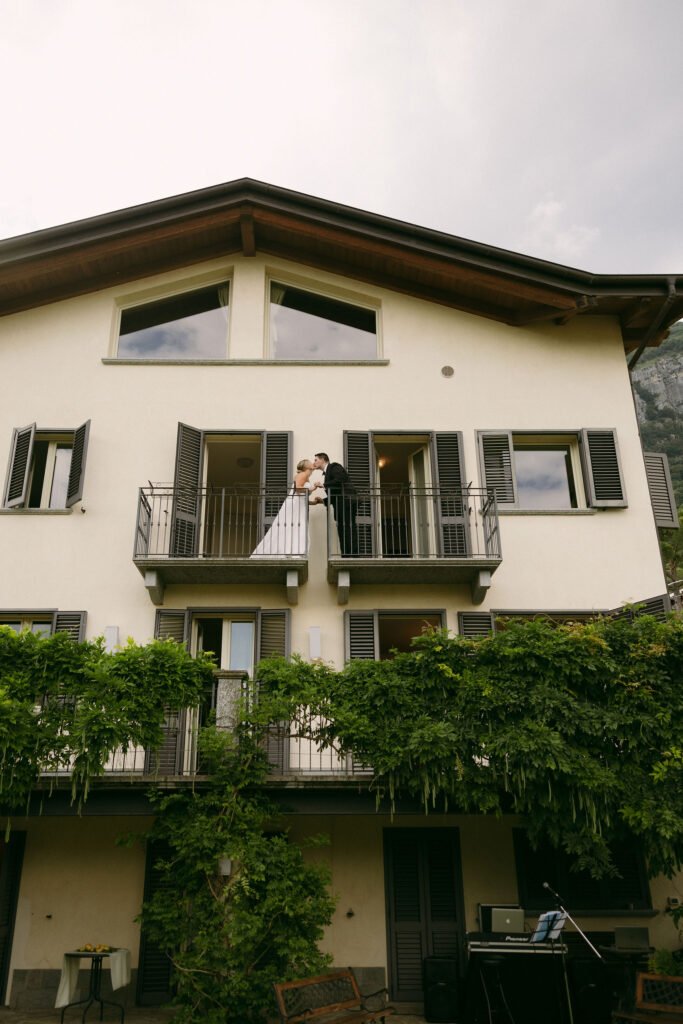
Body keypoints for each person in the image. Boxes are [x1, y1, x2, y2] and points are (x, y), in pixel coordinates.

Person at [251, 459, 315, 556]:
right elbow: (297, 489)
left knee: (295, 526)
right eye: (311, 462)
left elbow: (302, 497)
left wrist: (313, 502)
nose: (313, 463)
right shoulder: (303, 474)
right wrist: (312, 488)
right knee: (293, 525)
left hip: (299, 505)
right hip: (295, 505)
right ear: (307, 466)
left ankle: (294, 551)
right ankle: (293, 551)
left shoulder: (305, 476)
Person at [311, 452, 359, 556]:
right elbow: (335, 494)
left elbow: (340, 479)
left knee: (348, 528)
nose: (313, 462)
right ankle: (346, 555)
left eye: (315, 460)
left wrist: (323, 485)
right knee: (342, 530)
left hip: (347, 502)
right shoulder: (328, 472)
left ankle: (353, 555)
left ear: (323, 459)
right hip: (341, 504)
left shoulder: (334, 467)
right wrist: (322, 501)